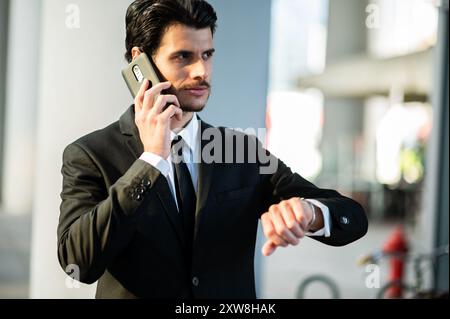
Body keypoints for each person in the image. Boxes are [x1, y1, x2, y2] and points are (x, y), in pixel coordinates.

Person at [57, 0, 368, 299]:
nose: (201, 71)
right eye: (183, 57)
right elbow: (78, 262)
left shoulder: (239, 150)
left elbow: (352, 218)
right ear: (141, 63)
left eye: (207, 55)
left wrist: (310, 212)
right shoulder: (90, 154)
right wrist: (150, 161)